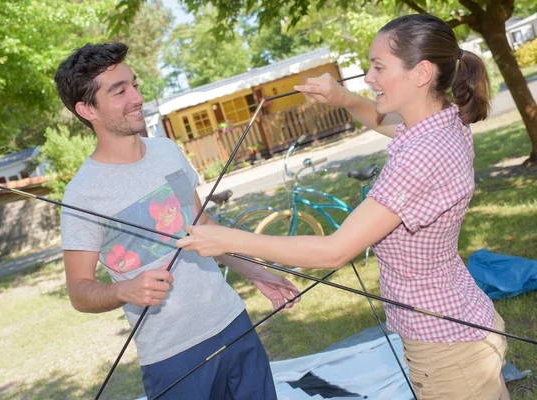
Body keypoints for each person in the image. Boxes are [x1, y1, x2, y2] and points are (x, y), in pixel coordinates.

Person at [177, 14, 510, 400]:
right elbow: (384, 121)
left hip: (446, 350)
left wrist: (225, 240)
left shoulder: (421, 156)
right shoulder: (442, 123)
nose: (368, 77)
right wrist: (342, 97)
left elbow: (335, 250)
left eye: (378, 66)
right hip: (464, 325)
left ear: (421, 73)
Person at [55, 42, 300, 400]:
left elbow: (205, 228)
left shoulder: (167, 150)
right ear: (86, 108)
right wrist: (123, 290)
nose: (137, 97)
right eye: (119, 91)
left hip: (233, 323)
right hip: (173, 357)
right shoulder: (82, 194)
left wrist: (257, 271)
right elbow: (79, 290)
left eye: (134, 84)